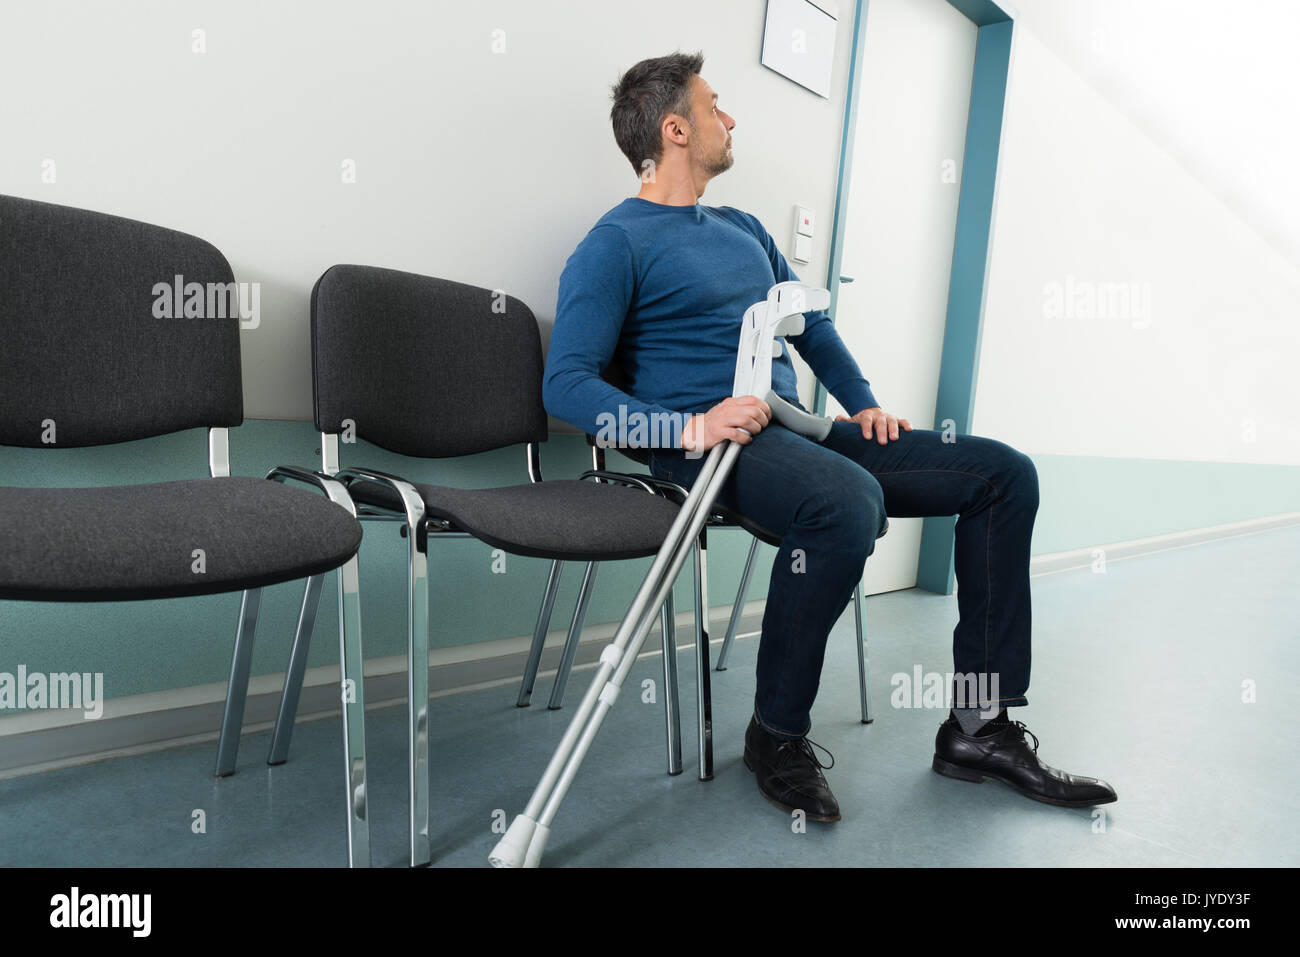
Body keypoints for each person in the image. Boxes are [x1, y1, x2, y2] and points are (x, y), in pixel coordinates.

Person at [543, 51, 1116, 822]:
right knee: (848, 504)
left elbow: (810, 324)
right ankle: (775, 734)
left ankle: (980, 727)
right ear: (675, 128)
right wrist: (692, 423)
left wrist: (864, 404)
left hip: (800, 429)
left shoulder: (745, 228)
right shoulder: (615, 243)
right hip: (710, 450)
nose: (731, 119)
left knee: (1004, 474)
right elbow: (567, 384)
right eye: (716, 107)